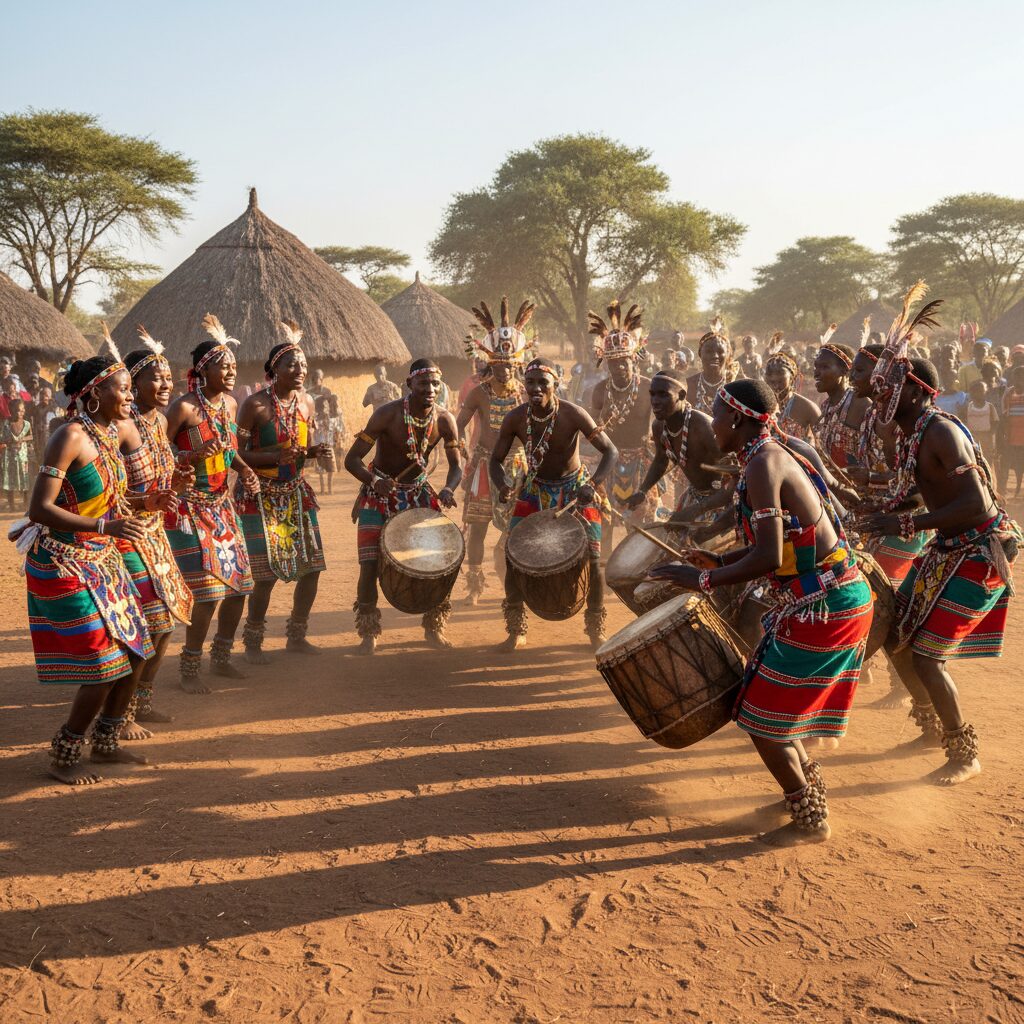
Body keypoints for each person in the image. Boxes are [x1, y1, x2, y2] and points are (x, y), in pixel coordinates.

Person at [649, 378, 874, 844]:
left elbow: (770, 557)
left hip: (826, 605)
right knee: (766, 713)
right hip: (824, 598)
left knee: (760, 720)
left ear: (737, 419)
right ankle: (801, 795)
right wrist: (720, 561)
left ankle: (810, 819)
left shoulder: (764, 464)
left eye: (717, 414)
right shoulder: (766, 456)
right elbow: (784, 549)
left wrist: (704, 580)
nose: (712, 426)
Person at [860, 284, 1021, 783]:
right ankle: (931, 728)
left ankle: (963, 753)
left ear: (913, 389)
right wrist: (870, 511)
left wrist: (904, 523)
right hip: (948, 546)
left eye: (888, 384)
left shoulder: (940, 431)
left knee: (927, 655)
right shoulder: (912, 436)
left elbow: (977, 504)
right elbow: (918, 494)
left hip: (980, 550)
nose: (879, 391)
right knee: (897, 639)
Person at [20, 355, 154, 784]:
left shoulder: (109, 434)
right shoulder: (70, 436)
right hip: (61, 562)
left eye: (132, 388)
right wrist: (106, 525)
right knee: (104, 665)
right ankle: (65, 752)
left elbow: (109, 498)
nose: (130, 395)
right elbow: (39, 509)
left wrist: (148, 502)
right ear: (95, 393)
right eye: (124, 388)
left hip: (101, 558)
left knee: (136, 650)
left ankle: (107, 742)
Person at [489, 358, 617, 651]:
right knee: (512, 556)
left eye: (542, 383)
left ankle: (596, 629)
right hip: (533, 491)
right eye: (530, 382)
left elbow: (610, 451)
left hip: (575, 492)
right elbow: (495, 460)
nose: (535, 388)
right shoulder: (515, 418)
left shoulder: (573, 414)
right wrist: (504, 487)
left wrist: (592, 484)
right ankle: (516, 630)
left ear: (554, 385)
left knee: (594, 561)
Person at [164, 315, 259, 692]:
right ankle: (190, 667)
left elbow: (230, 450)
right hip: (189, 508)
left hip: (223, 507)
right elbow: (160, 451)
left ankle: (221, 657)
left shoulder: (231, 406)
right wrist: (193, 454)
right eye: (224, 365)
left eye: (234, 366)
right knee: (207, 591)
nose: (232, 371)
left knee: (240, 586)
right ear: (203, 371)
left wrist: (246, 470)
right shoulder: (184, 408)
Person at [345, 358, 462, 654]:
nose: (431, 389)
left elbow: (457, 467)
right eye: (424, 383)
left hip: (420, 495)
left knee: (439, 563)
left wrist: (448, 488)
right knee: (369, 565)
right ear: (409, 384)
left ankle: (434, 626)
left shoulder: (445, 420)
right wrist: (374, 481)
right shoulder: (387, 415)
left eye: (436, 384)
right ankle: (369, 633)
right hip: (380, 494)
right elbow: (352, 459)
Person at [235, 323, 331, 664]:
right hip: (260, 496)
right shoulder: (255, 405)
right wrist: (274, 457)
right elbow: (234, 454)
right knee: (265, 574)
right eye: (291, 364)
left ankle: (296, 636)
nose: (300, 370)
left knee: (312, 567)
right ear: (273, 370)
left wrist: (313, 453)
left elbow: (299, 448)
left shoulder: (307, 403)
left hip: (296, 493)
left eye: (303, 365)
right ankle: (253, 643)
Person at [118, 328, 196, 737]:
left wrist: (176, 482)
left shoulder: (161, 421)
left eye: (169, 377)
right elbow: (109, 488)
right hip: (124, 534)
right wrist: (145, 500)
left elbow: (160, 479)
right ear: (132, 383)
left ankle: (141, 700)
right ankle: (121, 712)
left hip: (155, 533)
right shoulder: (120, 425)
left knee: (167, 621)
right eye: (156, 377)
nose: (166, 384)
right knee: (148, 621)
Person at [457, 297, 531, 604]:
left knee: (517, 529)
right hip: (485, 467)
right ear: (491, 363)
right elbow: (458, 424)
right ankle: (474, 586)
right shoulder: (478, 393)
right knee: (477, 530)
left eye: (510, 366)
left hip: (517, 468)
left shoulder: (527, 393)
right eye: (499, 365)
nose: (504, 371)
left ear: (517, 364)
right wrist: (460, 447)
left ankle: (513, 581)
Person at [588, 301, 665, 547]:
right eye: (613, 362)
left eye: (624, 361)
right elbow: (591, 429)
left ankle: (637, 568)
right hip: (609, 460)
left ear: (635, 359)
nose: (619, 367)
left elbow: (662, 422)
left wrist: (661, 448)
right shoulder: (600, 391)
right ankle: (603, 567)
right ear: (606, 363)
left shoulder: (649, 387)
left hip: (642, 460)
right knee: (604, 516)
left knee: (641, 522)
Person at [624, 369, 726, 536]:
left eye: (663, 395)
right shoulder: (659, 426)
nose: (655, 401)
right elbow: (662, 460)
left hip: (722, 502)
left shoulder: (702, 426)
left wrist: (702, 508)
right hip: (695, 497)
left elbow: (733, 477)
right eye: (653, 394)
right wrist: (642, 491)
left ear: (682, 395)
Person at [813, 330, 869, 469]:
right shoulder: (826, 405)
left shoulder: (861, 403)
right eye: (816, 366)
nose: (816, 373)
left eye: (824, 367)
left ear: (845, 371)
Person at [763, 346, 819, 439]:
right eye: (772, 382)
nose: (776, 387)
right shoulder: (759, 406)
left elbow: (820, 446)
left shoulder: (808, 409)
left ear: (792, 379)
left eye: (781, 381)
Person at [686, 319, 734, 414]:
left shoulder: (735, 386)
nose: (715, 356)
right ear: (700, 354)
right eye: (709, 351)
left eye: (720, 352)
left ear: (728, 355)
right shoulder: (689, 385)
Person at [0, 398, 32, 510]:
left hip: (22, 456)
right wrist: (10, 441)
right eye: (19, 410)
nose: (22, 412)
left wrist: (23, 438)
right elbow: (2, 438)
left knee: (24, 478)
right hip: (10, 457)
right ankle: (12, 504)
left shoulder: (27, 424)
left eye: (23, 410)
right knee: (10, 480)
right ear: (12, 410)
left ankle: (26, 504)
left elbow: (31, 436)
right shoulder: (7, 423)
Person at [1001, 364, 1024, 496]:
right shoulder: (1009, 392)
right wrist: (1004, 434)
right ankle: (1011, 490)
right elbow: (1005, 415)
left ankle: (1019, 491)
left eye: (1021, 377)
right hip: (1012, 435)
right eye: (1016, 377)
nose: (1018, 381)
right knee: (1014, 464)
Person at [964, 379, 999, 461]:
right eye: (975, 391)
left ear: (986, 392)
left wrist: (991, 435)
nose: (978, 393)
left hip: (987, 437)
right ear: (971, 393)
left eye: (981, 391)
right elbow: (963, 421)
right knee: (974, 458)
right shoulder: (967, 407)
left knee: (988, 458)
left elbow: (995, 422)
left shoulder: (990, 406)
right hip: (973, 437)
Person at [313, 395, 337, 494]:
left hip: (329, 446)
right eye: (323, 406)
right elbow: (314, 431)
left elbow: (335, 429)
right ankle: (323, 490)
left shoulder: (330, 419)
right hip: (320, 446)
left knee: (331, 469)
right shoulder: (316, 420)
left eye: (326, 405)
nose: (325, 407)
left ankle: (329, 490)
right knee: (321, 469)